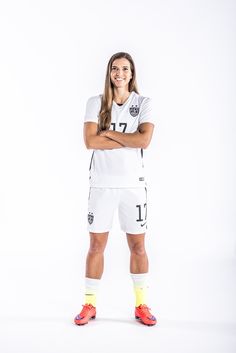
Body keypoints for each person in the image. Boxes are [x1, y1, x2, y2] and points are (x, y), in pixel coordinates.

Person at [74, 52, 156, 326]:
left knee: (138, 247)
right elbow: (90, 142)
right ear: (109, 73)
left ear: (132, 74)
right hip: (101, 186)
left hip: (133, 187)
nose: (119, 73)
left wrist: (107, 133)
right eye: (114, 69)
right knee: (96, 245)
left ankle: (141, 304)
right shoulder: (95, 103)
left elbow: (144, 140)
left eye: (125, 69)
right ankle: (89, 304)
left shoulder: (143, 103)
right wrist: (126, 139)